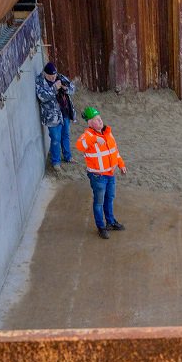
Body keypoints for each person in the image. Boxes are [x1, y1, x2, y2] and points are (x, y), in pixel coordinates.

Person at [75, 106, 127, 239]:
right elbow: (79, 146)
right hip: (98, 176)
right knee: (99, 202)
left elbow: (114, 151)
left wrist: (121, 164)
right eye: (96, 119)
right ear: (90, 123)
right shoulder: (87, 136)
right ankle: (101, 227)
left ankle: (110, 222)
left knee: (109, 199)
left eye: (100, 118)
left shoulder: (108, 133)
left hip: (110, 174)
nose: (100, 121)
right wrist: (94, 139)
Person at [35, 61, 76, 171]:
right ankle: (56, 162)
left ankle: (68, 156)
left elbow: (72, 88)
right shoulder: (40, 81)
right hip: (52, 117)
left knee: (66, 135)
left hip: (64, 112)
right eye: (50, 76)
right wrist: (54, 88)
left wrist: (66, 89)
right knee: (55, 139)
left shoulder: (59, 77)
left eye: (54, 75)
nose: (53, 78)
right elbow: (42, 97)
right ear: (45, 73)